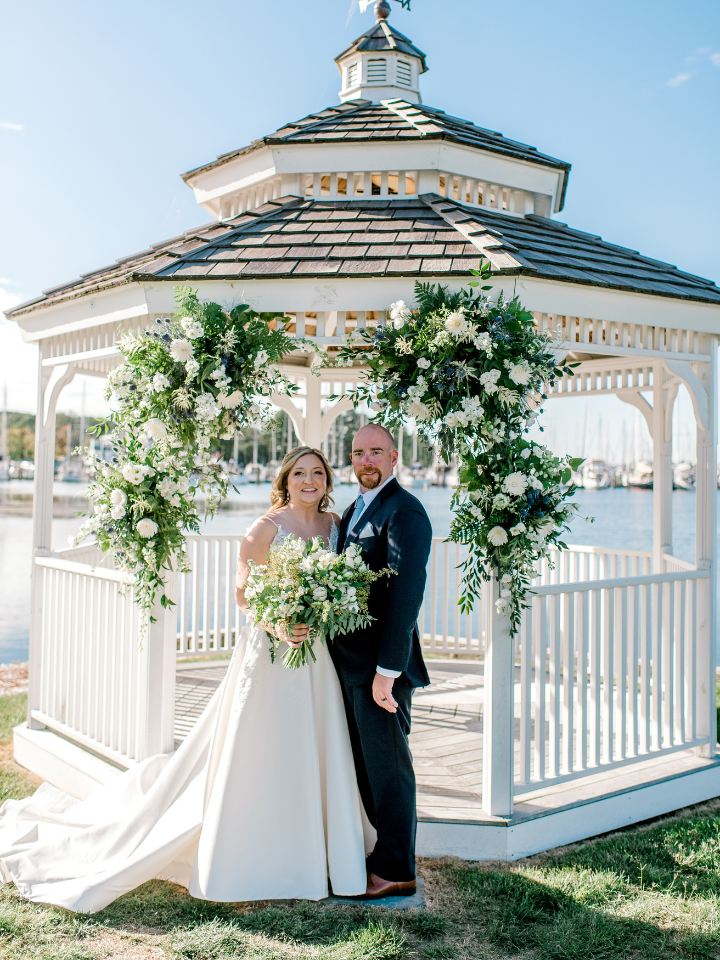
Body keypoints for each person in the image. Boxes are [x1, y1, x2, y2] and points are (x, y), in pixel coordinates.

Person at [0, 447, 369, 912]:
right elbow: (243, 593)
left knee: (314, 741)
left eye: (317, 472)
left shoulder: (336, 526)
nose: (309, 480)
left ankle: (318, 846)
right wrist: (278, 624)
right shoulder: (265, 529)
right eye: (300, 473)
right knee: (260, 745)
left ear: (327, 480)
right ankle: (251, 850)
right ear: (285, 480)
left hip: (316, 655)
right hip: (272, 651)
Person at [332, 423, 432, 899]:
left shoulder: (406, 512)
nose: (366, 460)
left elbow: (405, 598)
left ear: (395, 458)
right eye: (358, 453)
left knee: (389, 770)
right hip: (350, 663)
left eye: (376, 452)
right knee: (368, 769)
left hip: (379, 670)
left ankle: (397, 869)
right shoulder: (354, 510)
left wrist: (387, 673)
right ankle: (382, 852)